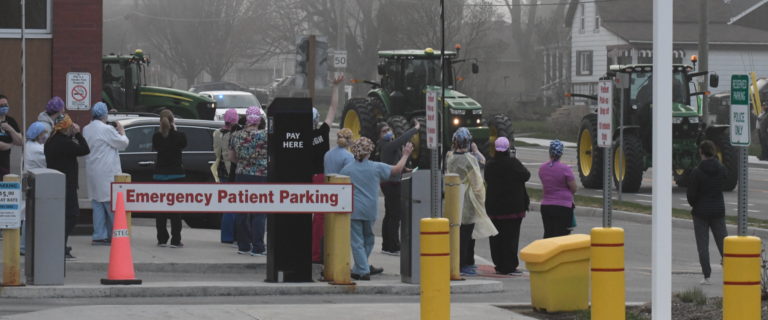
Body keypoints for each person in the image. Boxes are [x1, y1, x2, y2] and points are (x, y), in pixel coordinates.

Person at [340, 137, 412, 280]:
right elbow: (397, 170)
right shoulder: (376, 167)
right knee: (369, 239)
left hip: (354, 210)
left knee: (357, 241)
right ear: (369, 152)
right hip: (370, 210)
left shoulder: (347, 169)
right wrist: (405, 155)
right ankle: (362, 268)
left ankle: (361, 269)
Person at [445, 127, 495, 276]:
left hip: (454, 195)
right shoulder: (469, 159)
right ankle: (465, 262)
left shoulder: (450, 156)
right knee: (467, 234)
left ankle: (459, 262)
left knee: (457, 232)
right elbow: (477, 182)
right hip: (467, 199)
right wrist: (481, 199)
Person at [83, 102, 130, 246]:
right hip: (106, 172)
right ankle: (115, 234)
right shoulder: (107, 129)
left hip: (93, 172)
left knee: (97, 204)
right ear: (105, 115)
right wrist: (122, 131)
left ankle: (99, 235)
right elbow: (123, 143)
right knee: (111, 205)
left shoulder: (86, 129)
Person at [45, 114, 90, 259]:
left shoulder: (50, 141)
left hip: (54, 183)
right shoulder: (66, 143)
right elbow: (85, 150)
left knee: (59, 216)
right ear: (66, 127)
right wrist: (78, 134)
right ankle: (60, 244)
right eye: (71, 125)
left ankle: (59, 245)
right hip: (67, 184)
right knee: (72, 215)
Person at [310, 75, 344, 263]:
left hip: (303, 179)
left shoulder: (298, 138)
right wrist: (335, 87)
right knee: (320, 218)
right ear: (316, 120)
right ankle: (317, 253)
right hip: (321, 178)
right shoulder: (322, 133)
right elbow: (333, 108)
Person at [484, 137, 530, 275]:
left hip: (494, 207)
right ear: (508, 149)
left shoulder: (490, 164)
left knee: (495, 237)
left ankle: (498, 264)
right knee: (511, 237)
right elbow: (526, 175)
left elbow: (487, 178)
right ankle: (509, 265)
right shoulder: (513, 163)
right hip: (513, 207)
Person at [374, 120, 419, 255]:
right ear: (379, 135)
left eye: (388, 129)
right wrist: (416, 128)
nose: (388, 132)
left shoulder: (389, 146)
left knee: (389, 214)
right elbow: (402, 139)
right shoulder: (386, 145)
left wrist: (404, 169)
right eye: (384, 131)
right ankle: (393, 246)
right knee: (395, 215)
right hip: (391, 183)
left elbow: (394, 162)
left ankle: (387, 245)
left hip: (391, 182)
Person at [686, 140, 728, 285]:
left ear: (701, 152)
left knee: (703, 246)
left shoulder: (697, 171)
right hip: (718, 210)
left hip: (700, 213)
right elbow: (725, 181)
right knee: (724, 243)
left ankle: (707, 276)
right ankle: (731, 271)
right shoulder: (721, 168)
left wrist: (696, 204)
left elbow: (691, 194)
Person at [229, 106, 268, 256]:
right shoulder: (265, 135)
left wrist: (243, 163)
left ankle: (243, 246)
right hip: (260, 176)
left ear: (246, 118)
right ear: (258, 119)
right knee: (259, 213)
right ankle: (258, 247)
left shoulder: (236, 135)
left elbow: (232, 158)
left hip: (241, 175)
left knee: (242, 212)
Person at [152, 109, 187, 248]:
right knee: (175, 209)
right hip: (176, 175)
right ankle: (175, 239)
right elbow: (183, 145)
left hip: (160, 175)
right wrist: (175, 129)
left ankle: (162, 239)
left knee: (160, 209)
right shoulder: (180, 136)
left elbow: (156, 147)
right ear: (173, 121)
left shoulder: (156, 137)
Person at [538, 139, 577, 238]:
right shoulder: (565, 169)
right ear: (561, 153)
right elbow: (574, 188)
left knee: (548, 233)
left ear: (549, 152)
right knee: (561, 236)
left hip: (546, 205)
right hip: (563, 206)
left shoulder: (542, 168)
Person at [213, 108, 241, 244]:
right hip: (232, 171)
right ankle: (233, 236)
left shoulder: (217, 133)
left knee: (226, 205)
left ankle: (226, 236)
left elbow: (216, 152)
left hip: (221, 170)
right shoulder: (235, 134)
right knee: (233, 206)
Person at [21, 121, 49, 256]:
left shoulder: (29, 145)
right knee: (30, 215)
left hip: (29, 181)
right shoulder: (37, 149)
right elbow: (47, 161)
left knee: (28, 214)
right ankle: (24, 246)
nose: (45, 136)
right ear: (37, 134)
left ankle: (25, 245)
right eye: (43, 133)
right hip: (35, 182)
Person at [0, 94, 23, 177]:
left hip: (5, 163)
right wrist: (11, 145)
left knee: (5, 183)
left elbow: (20, 142)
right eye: (1, 105)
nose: (4, 107)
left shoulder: (11, 121)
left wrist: (10, 129)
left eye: (6, 105)